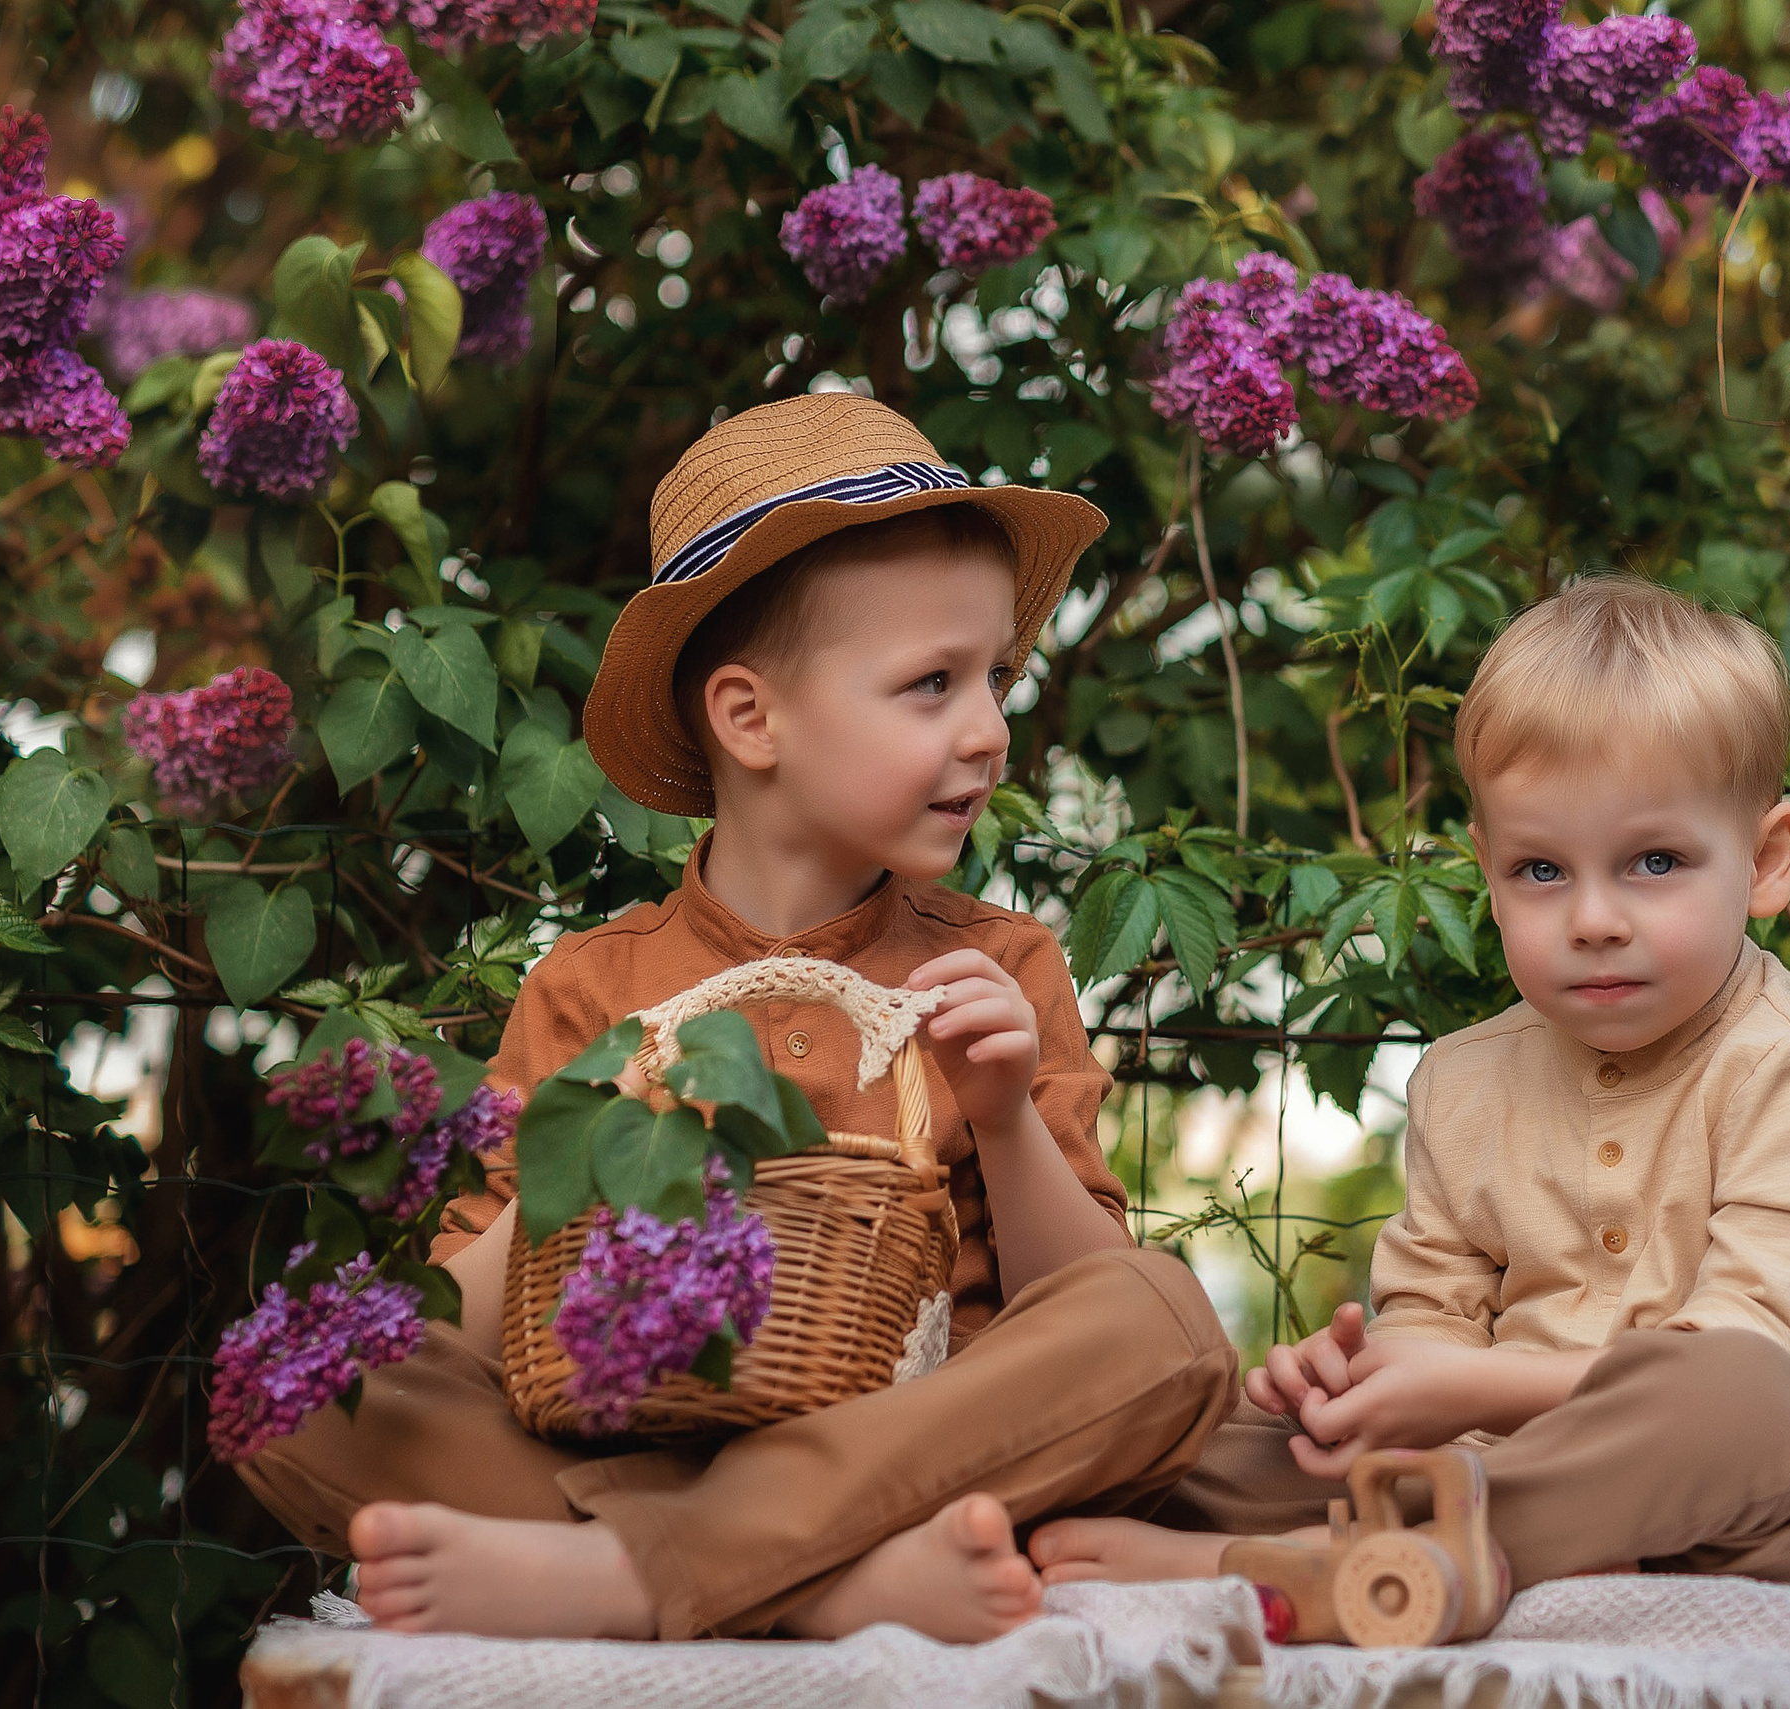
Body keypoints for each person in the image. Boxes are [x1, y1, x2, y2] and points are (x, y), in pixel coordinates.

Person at [233, 394, 1239, 1644]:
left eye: (997, 677)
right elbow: (471, 1332)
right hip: (651, 1453)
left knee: (1159, 1319)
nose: (990, 729)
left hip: (923, 1455)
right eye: (932, 683)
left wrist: (1002, 1115)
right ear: (750, 717)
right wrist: (581, 1148)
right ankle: (816, 1578)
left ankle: (635, 1576)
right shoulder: (592, 989)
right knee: (301, 1384)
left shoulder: (999, 966)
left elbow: (1077, 1300)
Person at [1029, 577, 1790, 1606]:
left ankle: (1326, 1557)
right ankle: (1419, 1546)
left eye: (1655, 860)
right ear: (1487, 870)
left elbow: (1748, 1347)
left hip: (1772, 1517)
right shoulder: (1462, 1080)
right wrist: (1369, 1387)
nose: (1594, 919)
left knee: (1746, 1396)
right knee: (1202, 1420)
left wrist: (1463, 1386)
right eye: (1541, 870)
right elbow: (1432, 1325)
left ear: (1765, 861)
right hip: (1488, 1473)